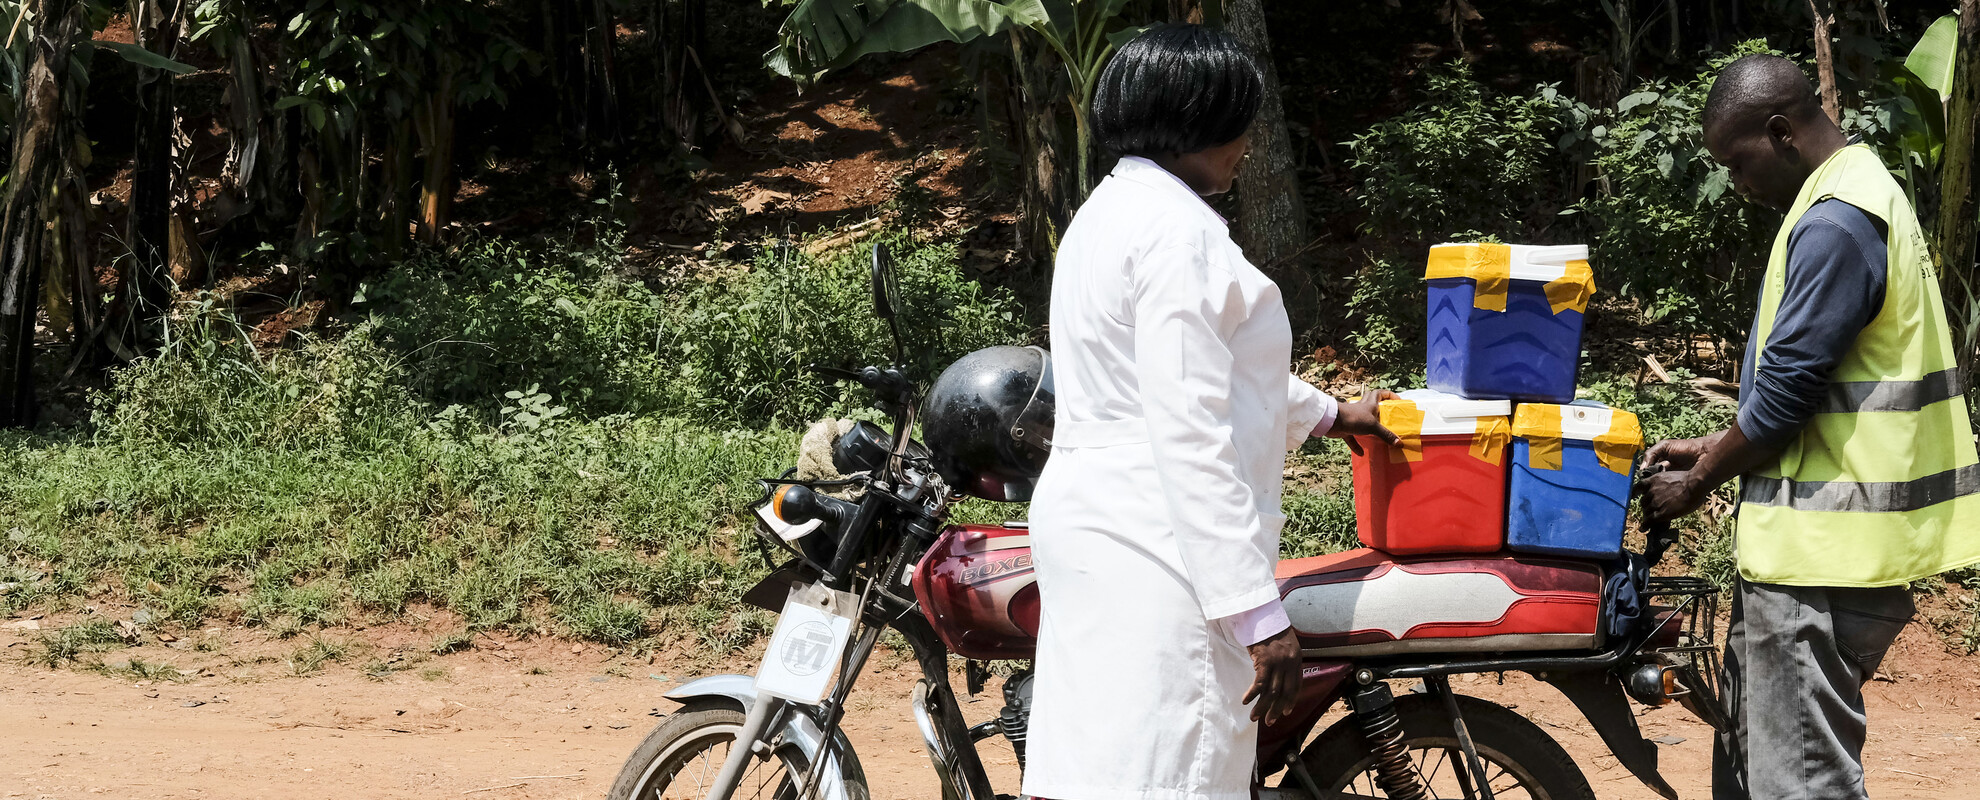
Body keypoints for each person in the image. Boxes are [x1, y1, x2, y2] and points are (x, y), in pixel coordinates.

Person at [1020, 24, 1395, 800]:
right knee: (1170, 769)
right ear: (1197, 122)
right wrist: (1257, 615)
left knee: (1107, 763)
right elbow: (1189, 428)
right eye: (1240, 126)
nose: (1247, 147)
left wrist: (1331, 414)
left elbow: (1202, 374)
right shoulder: (1175, 235)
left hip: (1098, 523)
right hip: (1160, 541)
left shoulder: (1109, 212)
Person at [1642, 54, 1980, 800]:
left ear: (1781, 131)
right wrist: (1713, 442)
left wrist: (1696, 480)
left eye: (1738, 162)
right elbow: (1822, 388)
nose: (1737, 183)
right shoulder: (1857, 194)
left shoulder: (1835, 221)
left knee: (1800, 783)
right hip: (1831, 556)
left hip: (1822, 564)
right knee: (1760, 771)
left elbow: (1787, 397)